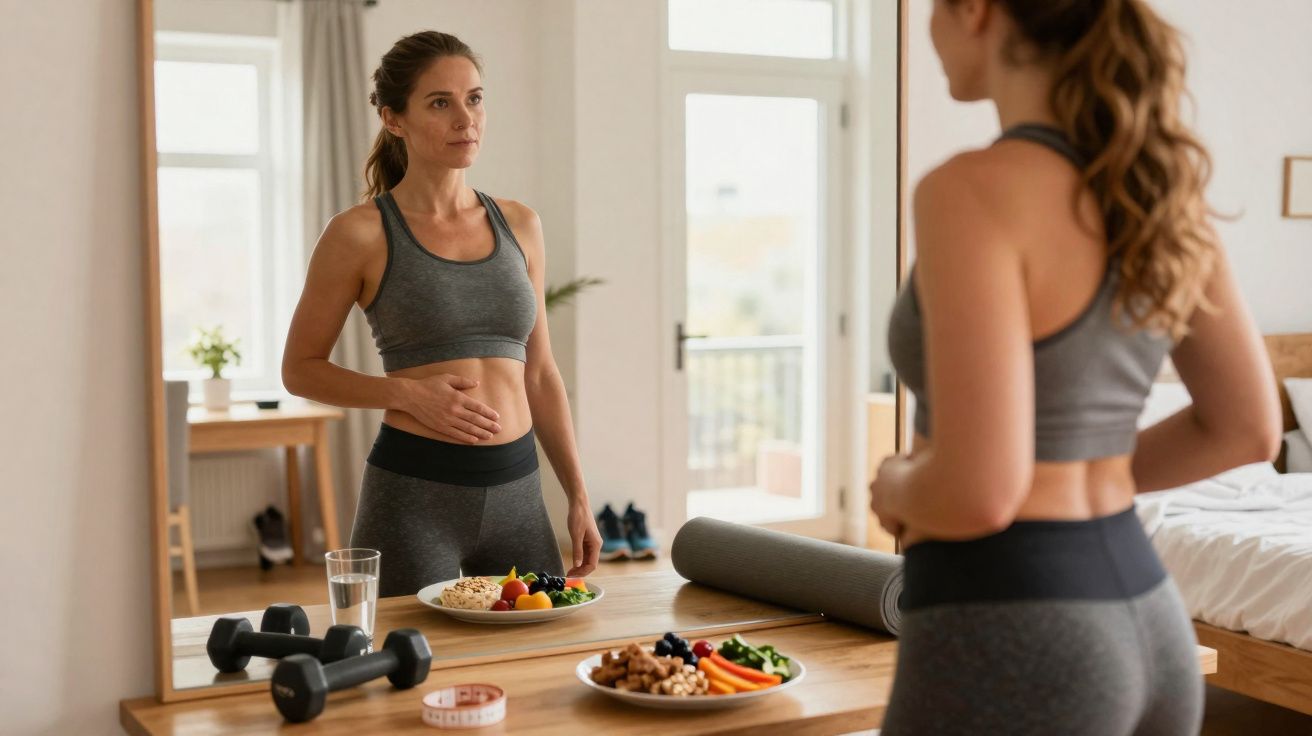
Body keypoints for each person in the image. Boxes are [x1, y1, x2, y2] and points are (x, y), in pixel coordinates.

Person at [872, 1, 1282, 732]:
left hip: (1013, 629)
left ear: (976, 10)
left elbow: (978, 494)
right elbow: (1248, 429)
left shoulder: (969, 190)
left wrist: (898, 483)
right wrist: (1090, 474)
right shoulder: (1160, 193)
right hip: (1150, 620)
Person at [282, 31, 601, 598]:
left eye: (474, 99)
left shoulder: (521, 224)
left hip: (519, 493)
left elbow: (540, 373)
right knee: (405, 652)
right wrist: (406, 394)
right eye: (440, 103)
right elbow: (300, 369)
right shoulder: (359, 233)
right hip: (414, 495)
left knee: (533, 647)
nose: (465, 119)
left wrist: (577, 494)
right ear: (394, 119)